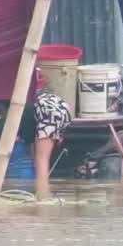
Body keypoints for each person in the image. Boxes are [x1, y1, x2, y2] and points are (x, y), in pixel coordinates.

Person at [28, 69, 72, 200]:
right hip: (63, 107)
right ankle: (43, 193)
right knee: (42, 158)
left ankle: (43, 197)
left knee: (41, 160)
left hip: (47, 111)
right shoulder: (40, 77)